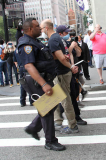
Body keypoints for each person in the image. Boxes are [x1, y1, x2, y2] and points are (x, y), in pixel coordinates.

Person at [18, 17, 65, 151]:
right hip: (36, 81)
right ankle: (50, 141)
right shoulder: (27, 44)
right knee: (47, 111)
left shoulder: (35, 41)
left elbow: (43, 58)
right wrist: (44, 84)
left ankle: (33, 128)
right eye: (37, 26)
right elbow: (29, 66)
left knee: (49, 106)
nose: (40, 28)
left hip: (45, 78)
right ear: (30, 29)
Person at [41, 21, 79, 134]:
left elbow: (62, 58)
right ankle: (57, 121)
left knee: (65, 99)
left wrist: (71, 66)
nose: (41, 30)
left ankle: (72, 125)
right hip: (61, 72)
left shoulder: (53, 39)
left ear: (46, 28)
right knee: (55, 97)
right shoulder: (58, 37)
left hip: (61, 73)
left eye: (42, 28)